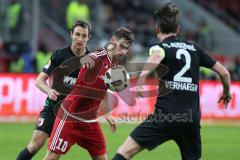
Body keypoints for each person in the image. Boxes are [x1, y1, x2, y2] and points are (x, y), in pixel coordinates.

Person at [112, 2, 231, 160]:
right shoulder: (195, 48)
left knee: (125, 151)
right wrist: (226, 92)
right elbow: (224, 73)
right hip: (191, 119)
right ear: (178, 29)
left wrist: (141, 80)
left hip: (165, 116)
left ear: (157, 29)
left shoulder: (161, 47)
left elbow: (156, 56)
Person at [43, 27, 134, 160]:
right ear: (113, 41)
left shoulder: (114, 64)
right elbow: (84, 69)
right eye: (121, 46)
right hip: (70, 116)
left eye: (126, 48)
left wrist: (108, 115)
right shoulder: (95, 58)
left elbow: (105, 89)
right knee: (51, 157)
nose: (123, 51)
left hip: (90, 121)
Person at [16, 20, 93, 160]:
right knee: (35, 145)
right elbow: (39, 80)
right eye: (77, 34)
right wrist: (49, 91)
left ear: (89, 37)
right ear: (71, 35)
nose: (80, 39)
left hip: (72, 115)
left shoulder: (92, 61)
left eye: (84, 35)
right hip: (52, 108)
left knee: (53, 155)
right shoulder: (59, 55)